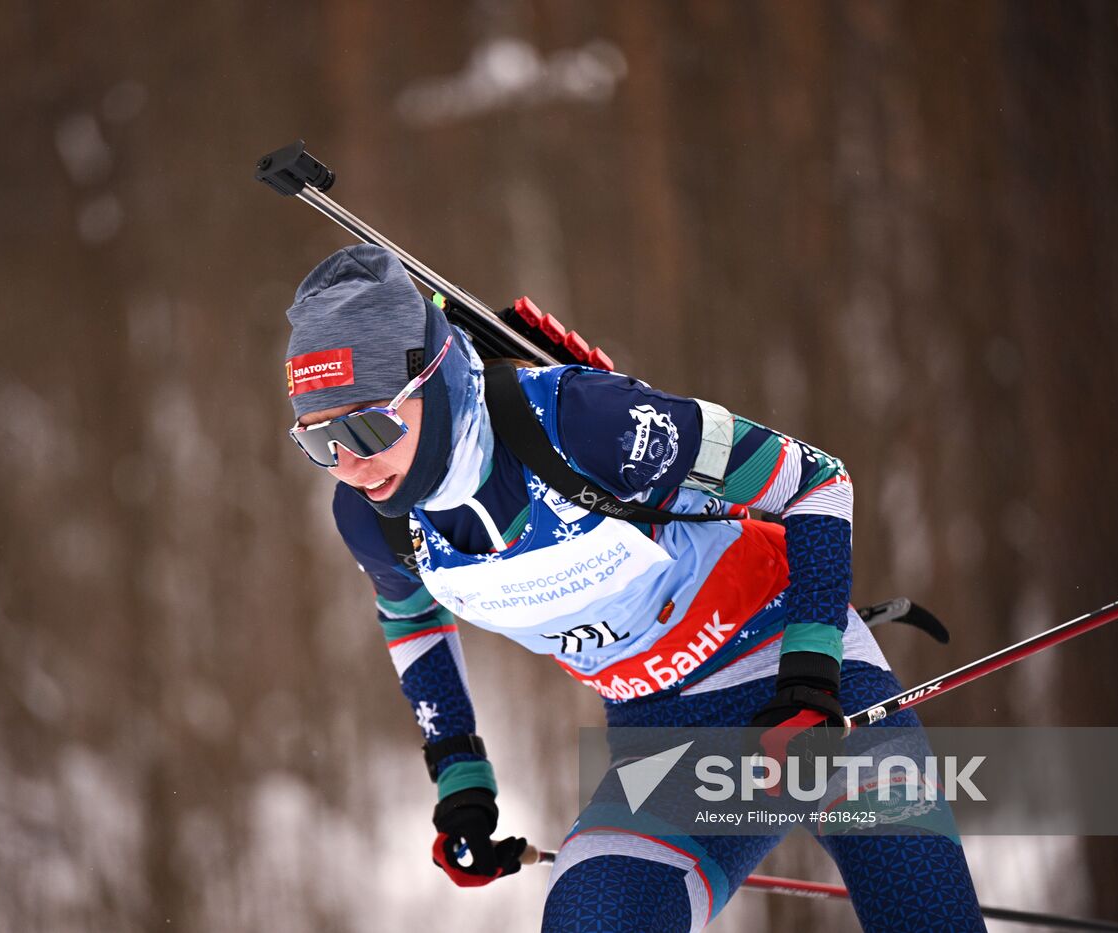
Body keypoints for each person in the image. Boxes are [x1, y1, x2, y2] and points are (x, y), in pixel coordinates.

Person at [283, 244, 985, 932]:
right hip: (668, 735)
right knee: (593, 918)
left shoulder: (583, 423)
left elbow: (816, 481)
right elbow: (409, 616)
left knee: (919, 907)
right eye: (319, 442)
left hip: (801, 672)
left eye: (368, 425)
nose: (350, 464)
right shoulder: (375, 520)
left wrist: (809, 674)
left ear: (430, 383)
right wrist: (460, 777)